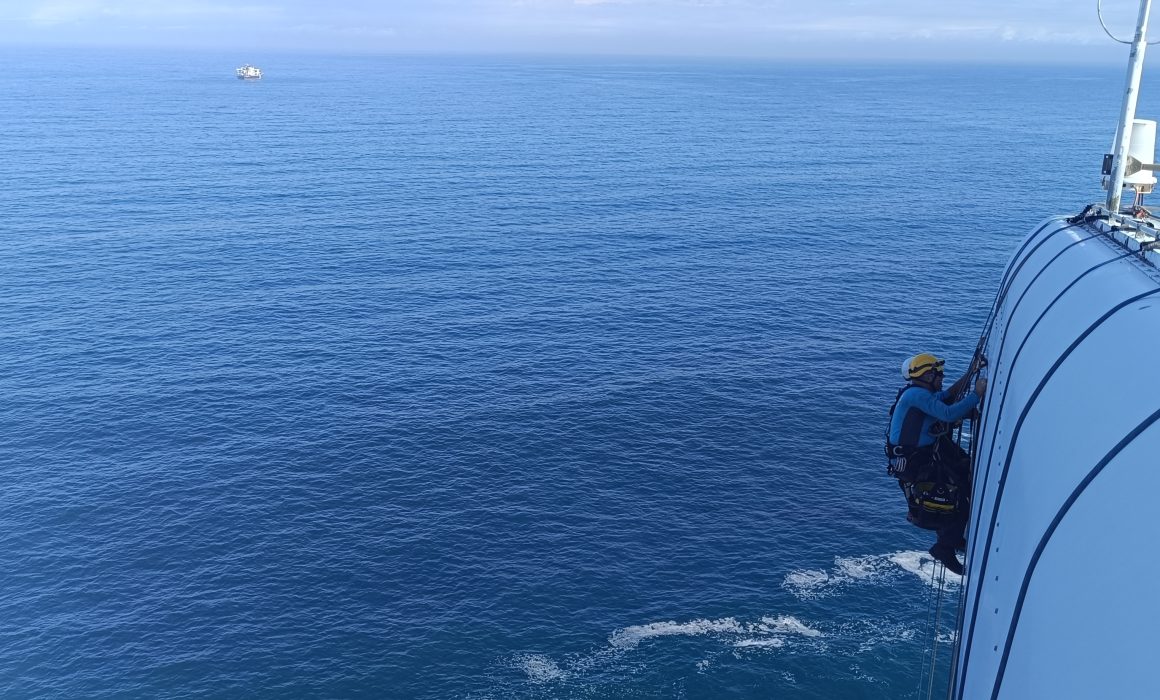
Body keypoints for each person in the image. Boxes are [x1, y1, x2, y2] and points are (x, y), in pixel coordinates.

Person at [886, 353, 987, 575]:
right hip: (917, 460)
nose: (942, 378)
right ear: (928, 375)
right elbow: (948, 414)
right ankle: (944, 547)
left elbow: (947, 396)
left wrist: (970, 373)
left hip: (923, 454)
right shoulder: (917, 396)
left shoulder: (918, 392)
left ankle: (952, 537)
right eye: (939, 374)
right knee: (959, 496)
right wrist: (976, 395)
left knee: (963, 473)